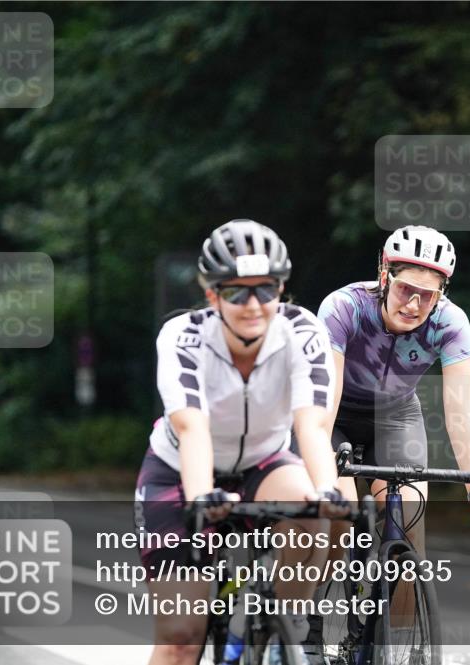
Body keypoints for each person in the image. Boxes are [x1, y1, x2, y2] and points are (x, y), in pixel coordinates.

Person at [135, 219, 345, 665]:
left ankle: (280, 636)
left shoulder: (303, 332)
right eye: (236, 292)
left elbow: (311, 425)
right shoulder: (183, 338)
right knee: (180, 639)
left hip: (262, 462)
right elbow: (191, 428)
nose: (253, 305)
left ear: (282, 289)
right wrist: (199, 497)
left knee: (311, 516)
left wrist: (327, 490)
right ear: (212, 294)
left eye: (266, 290)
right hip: (179, 471)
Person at [314, 224, 470, 556]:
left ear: (442, 292)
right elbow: (325, 401)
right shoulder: (345, 308)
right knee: (338, 524)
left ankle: (397, 605)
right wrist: (323, 469)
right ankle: (303, 605)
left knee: (408, 533)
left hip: (395, 418)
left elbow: (460, 412)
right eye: (405, 289)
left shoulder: (451, 323)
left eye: (428, 294)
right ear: (384, 274)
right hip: (336, 416)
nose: (414, 305)